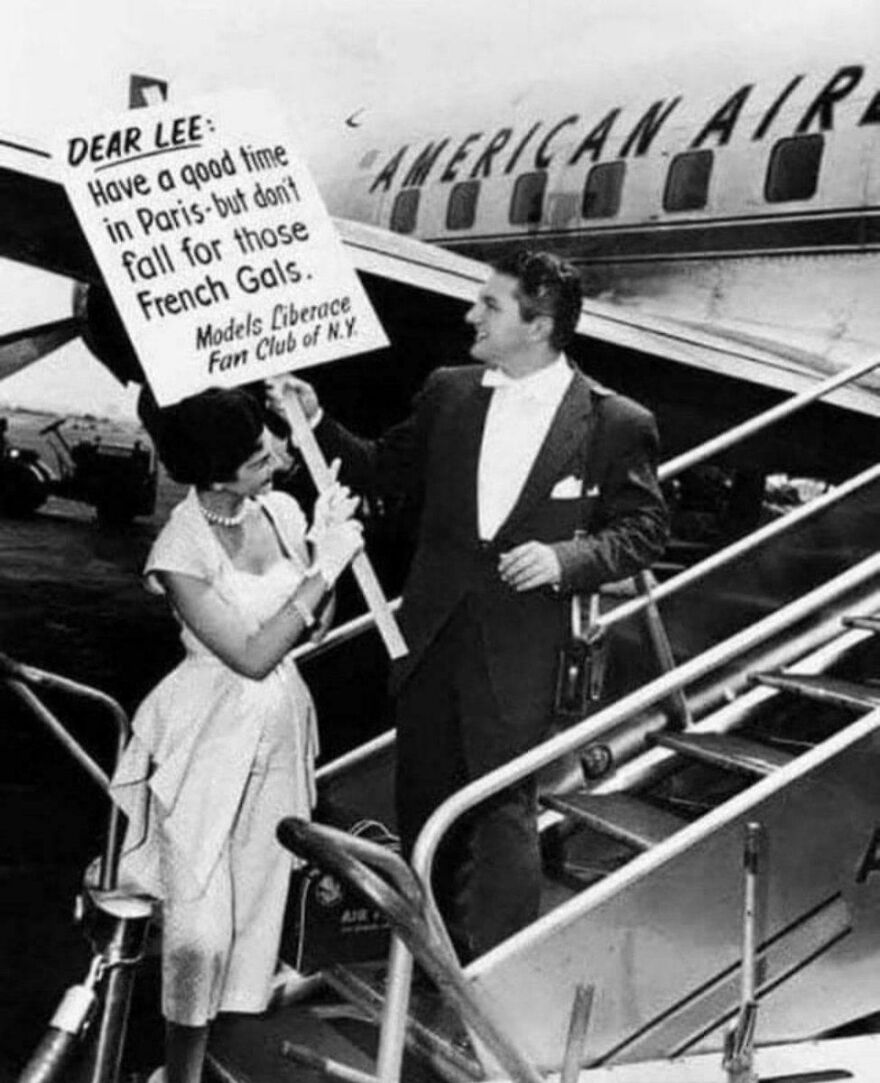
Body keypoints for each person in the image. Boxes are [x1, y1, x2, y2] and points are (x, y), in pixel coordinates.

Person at [272, 249, 669, 960]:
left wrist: (567, 559)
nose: (469, 314)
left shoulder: (616, 420)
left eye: (489, 304)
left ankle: (501, 972)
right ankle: (430, 957)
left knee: (504, 813)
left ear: (538, 325)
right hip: (430, 641)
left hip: (520, 650)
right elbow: (380, 469)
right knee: (424, 808)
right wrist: (317, 418)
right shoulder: (448, 393)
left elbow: (644, 528)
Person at [109, 387, 363, 1083]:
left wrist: (324, 544)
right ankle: (179, 1073)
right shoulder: (178, 549)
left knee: (253, 916)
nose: (277, 459)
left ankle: (211, 1061)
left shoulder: (279, 511)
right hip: (206, 737)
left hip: (280, 731)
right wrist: (323, 568)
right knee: (199, 927)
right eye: (257, 458)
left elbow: (316, 627)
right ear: (215, 474)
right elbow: (251, 655)